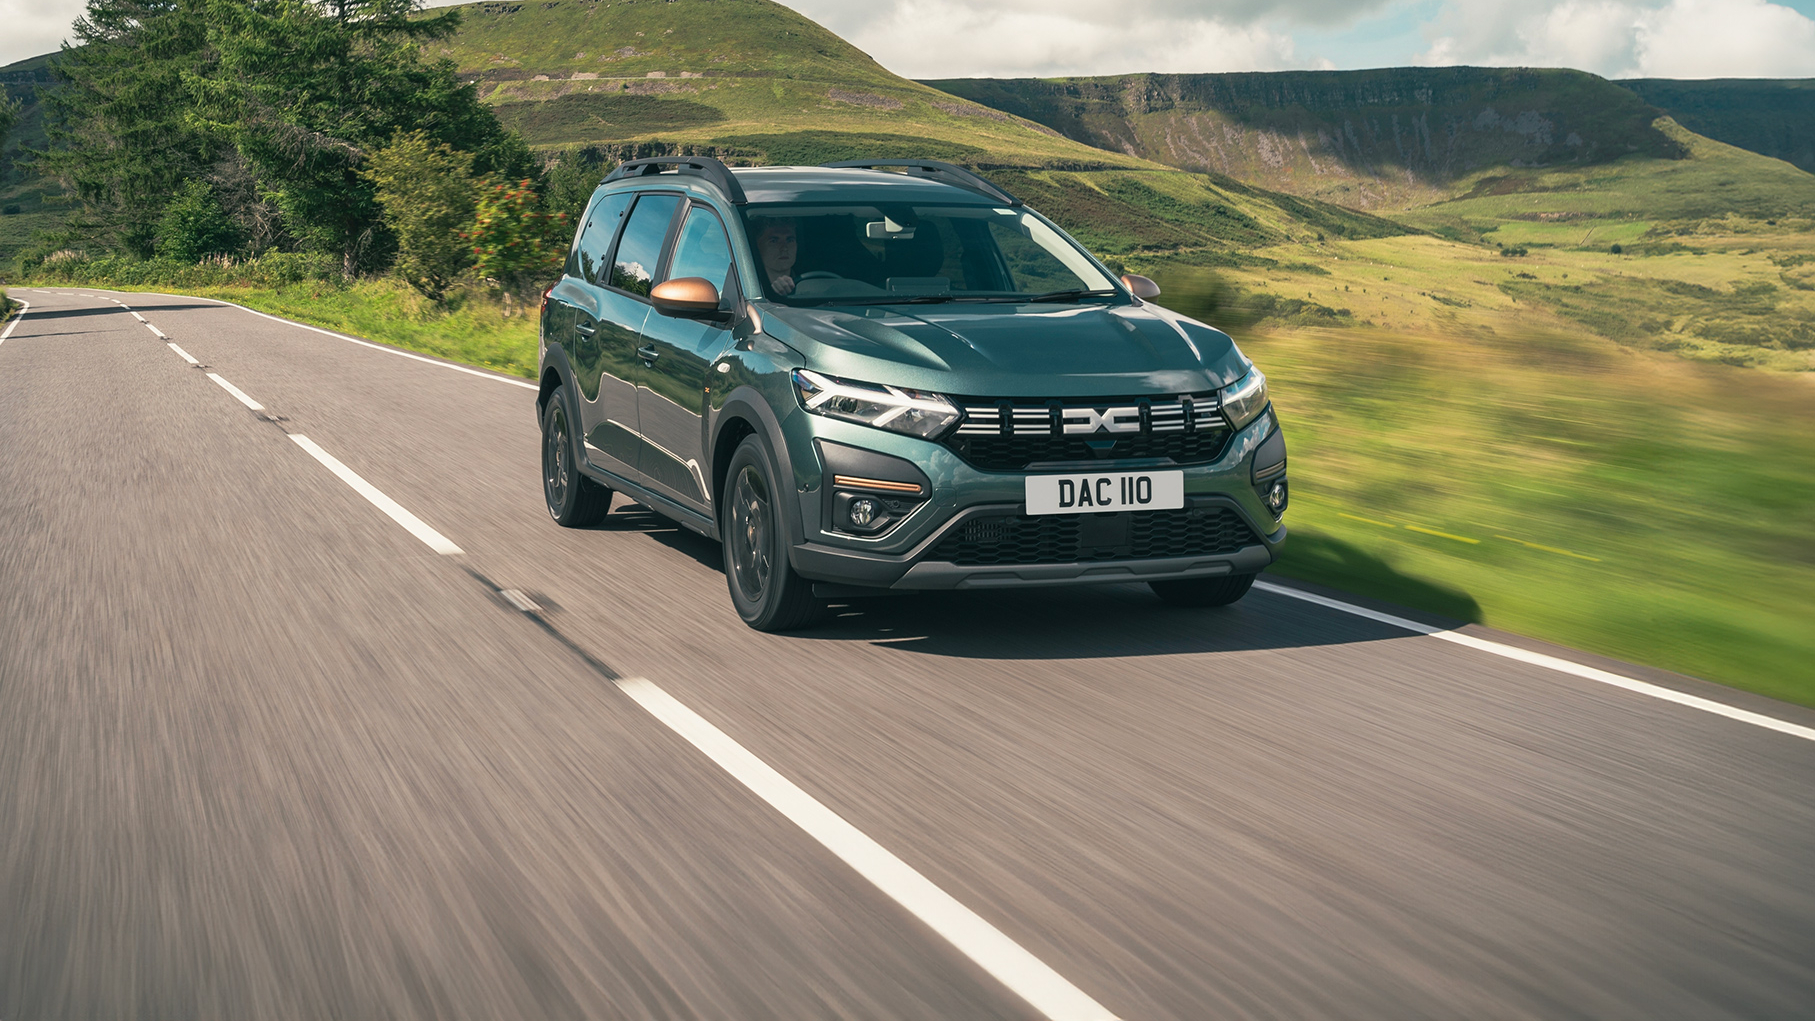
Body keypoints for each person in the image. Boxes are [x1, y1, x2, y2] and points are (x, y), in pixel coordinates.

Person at [754, 219, 797, 296]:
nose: (784, 248)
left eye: (790, 240)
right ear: (758, 247)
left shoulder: (811, 287)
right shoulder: (748, 289)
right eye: (774, 241)